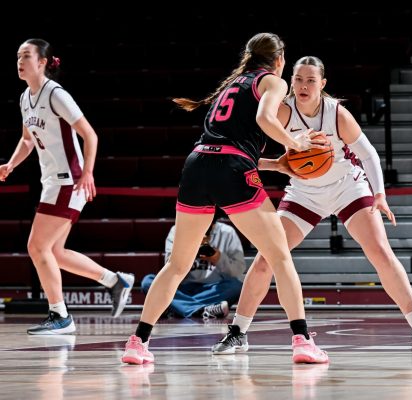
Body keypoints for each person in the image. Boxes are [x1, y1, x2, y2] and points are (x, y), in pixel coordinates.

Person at [211, 56, 412, 355]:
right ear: (290, 82)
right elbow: (245, 155)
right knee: (266, 258)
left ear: (322, 84)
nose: (303, 85)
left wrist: (380, 194)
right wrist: (278, 166)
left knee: (380, 252)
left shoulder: (337, 114)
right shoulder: (280, 113)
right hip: (304, 192)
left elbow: (369, 154)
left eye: (310, 80)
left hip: (346, 186)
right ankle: (238, 332)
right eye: (298, 79)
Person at [121, 33, 329, 365]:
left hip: (197, 165)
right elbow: (264, 120)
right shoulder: (272, 82)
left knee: (177, 265)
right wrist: (296, 143)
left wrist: (276, 164)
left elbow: (229, 144)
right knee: (280, 257)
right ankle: (302, 340)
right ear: (279, 60)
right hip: (230, 169)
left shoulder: (233, 84)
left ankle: (137, 342)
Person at [0, 38, 134, 334]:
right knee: (55, 253)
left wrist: (88, 173)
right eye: (17, 57)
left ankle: (60, 315)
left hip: (68, 181)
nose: (19, 62)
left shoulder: (55, 94)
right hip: (52, 182)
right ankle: (116, 281)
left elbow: (90, 134)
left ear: (43, 61)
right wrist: (10, 164)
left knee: (36, 246)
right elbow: (26, 140)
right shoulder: (25, 98)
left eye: (26, 56)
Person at [141, 212, 245, 319]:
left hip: (212, 288)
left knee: (237, 286)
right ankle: (201, 310)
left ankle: (178, 307)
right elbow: (170, 267)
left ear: (214, 223)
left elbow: (238, 271)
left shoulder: (227, 232)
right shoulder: (176, 230)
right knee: (148, 282)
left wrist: (218, 257)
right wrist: (190, 249)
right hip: (181, 288)